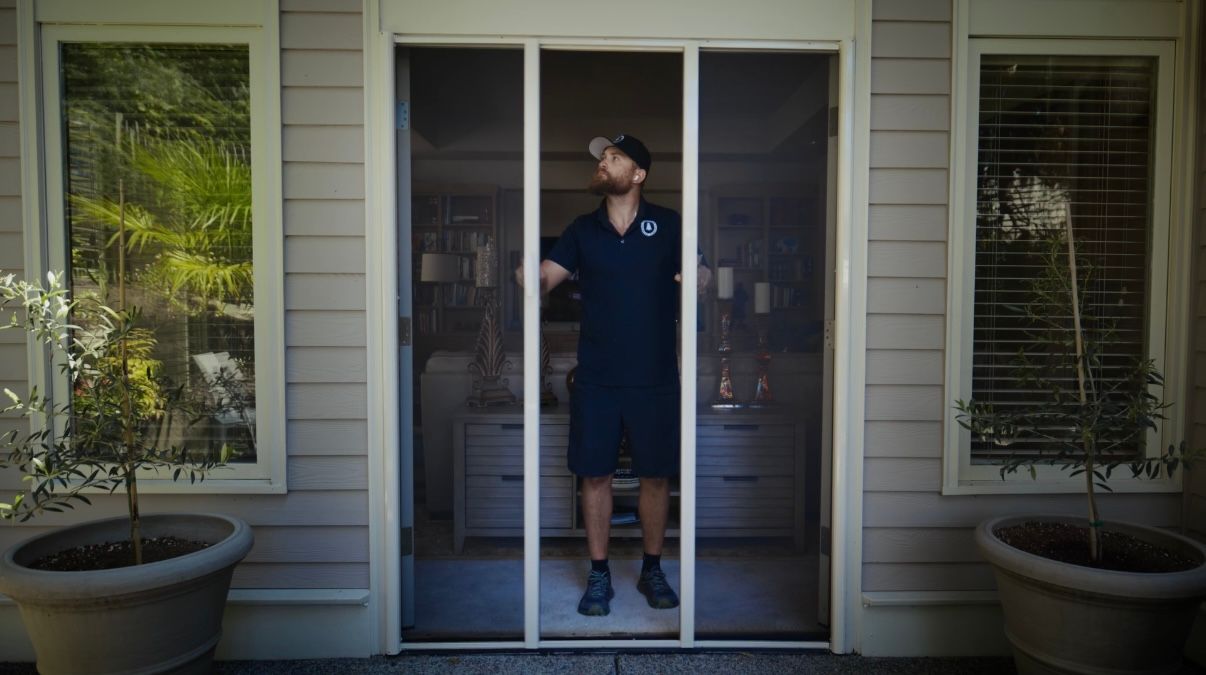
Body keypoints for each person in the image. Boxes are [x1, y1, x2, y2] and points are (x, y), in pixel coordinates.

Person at [516, 133, 711, 617]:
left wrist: (698, 280)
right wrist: (529, 276)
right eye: (602, 157)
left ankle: (652, 569)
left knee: (655, 476)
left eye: (615, 157)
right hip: (597, 377)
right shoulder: (583, 230)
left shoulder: (669, 224)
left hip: (654, 375)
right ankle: (599, 573)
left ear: (638, 174)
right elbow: (546, 277)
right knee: (595, 474)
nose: (604, 162)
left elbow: (701, 272)